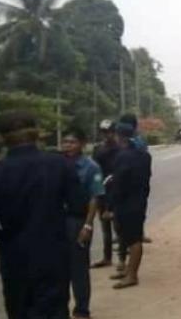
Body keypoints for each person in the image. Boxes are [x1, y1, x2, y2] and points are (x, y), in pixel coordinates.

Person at [0, 111, 88, 319]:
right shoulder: (60, 164)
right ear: (36, 134)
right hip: (53, 254)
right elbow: (79, 207)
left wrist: (7, 234)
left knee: (20, 310)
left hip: (15, 258)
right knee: (55, 311)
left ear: (4, 139)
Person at [62, 128, 105, 319]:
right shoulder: (57, 164)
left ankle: (81, 309)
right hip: (57, 221)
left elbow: (94, 197)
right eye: (65, 142)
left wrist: (87, 225)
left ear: (82, 144)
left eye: (72, 142)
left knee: (78, 268)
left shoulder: (90, 167)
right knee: (58, 268)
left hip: (77, 221)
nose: (68, 146)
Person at [108, 121, 152, 289]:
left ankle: (132, 275)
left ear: (119, 136)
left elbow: (119, 183)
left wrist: (110, 206)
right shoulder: (144, 155)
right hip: (139, 200)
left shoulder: (123, 156)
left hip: (126, 203)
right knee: (130, 237)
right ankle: (128, 270)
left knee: (132, 239)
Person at [91, 119, 127, 270]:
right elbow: (94, 170)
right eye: (104, 132)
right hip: (102, 190)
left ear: (115, 132)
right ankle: (107, 258)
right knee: (105, 226)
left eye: (110, 132)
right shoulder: (97, 149)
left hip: (117, 189)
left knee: (119, 226)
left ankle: (122, 259)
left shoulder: (121, 148)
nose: (107, 135)